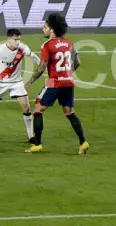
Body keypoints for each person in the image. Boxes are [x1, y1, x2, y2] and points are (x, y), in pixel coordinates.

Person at [24, 13, 90, 154]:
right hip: (68, 82)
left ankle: (37, 144)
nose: (43, 30)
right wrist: (67, 74)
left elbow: (42, 68)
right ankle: (83, 142)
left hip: (54, 82)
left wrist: (29, 82)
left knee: (37, 109)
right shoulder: (69, 43)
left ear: (52, 30)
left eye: (45, 27)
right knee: (69, 112)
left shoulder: (47, 45)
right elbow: (78, 62)